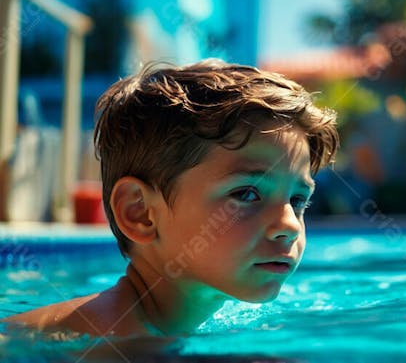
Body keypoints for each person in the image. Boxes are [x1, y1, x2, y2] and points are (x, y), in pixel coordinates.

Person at [2, 59, 339, 337]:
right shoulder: (114, 340)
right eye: (247, 193)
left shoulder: (169, 325)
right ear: (140, 213)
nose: (289, 225)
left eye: (298, 200)